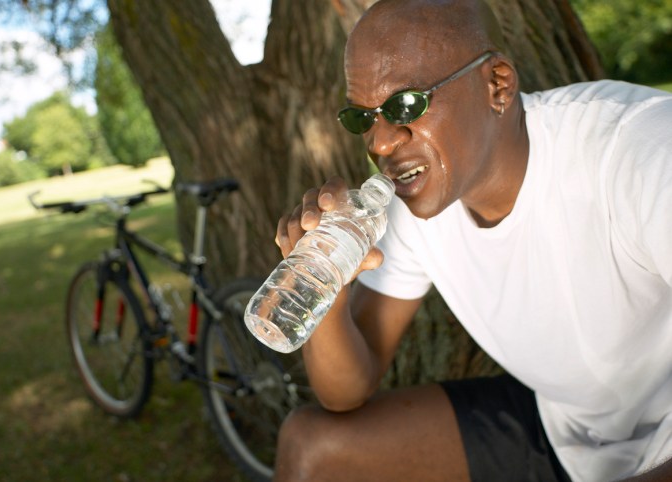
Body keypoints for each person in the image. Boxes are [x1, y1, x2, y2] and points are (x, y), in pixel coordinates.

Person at [270, 0, 672, 481]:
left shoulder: (639, 147)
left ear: (497, 84)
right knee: (311, 446)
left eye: (404, 104)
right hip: (566, 428)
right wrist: (326, 289)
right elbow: (345, 391)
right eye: (363, 118)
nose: (379, 143)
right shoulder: (410, 208)